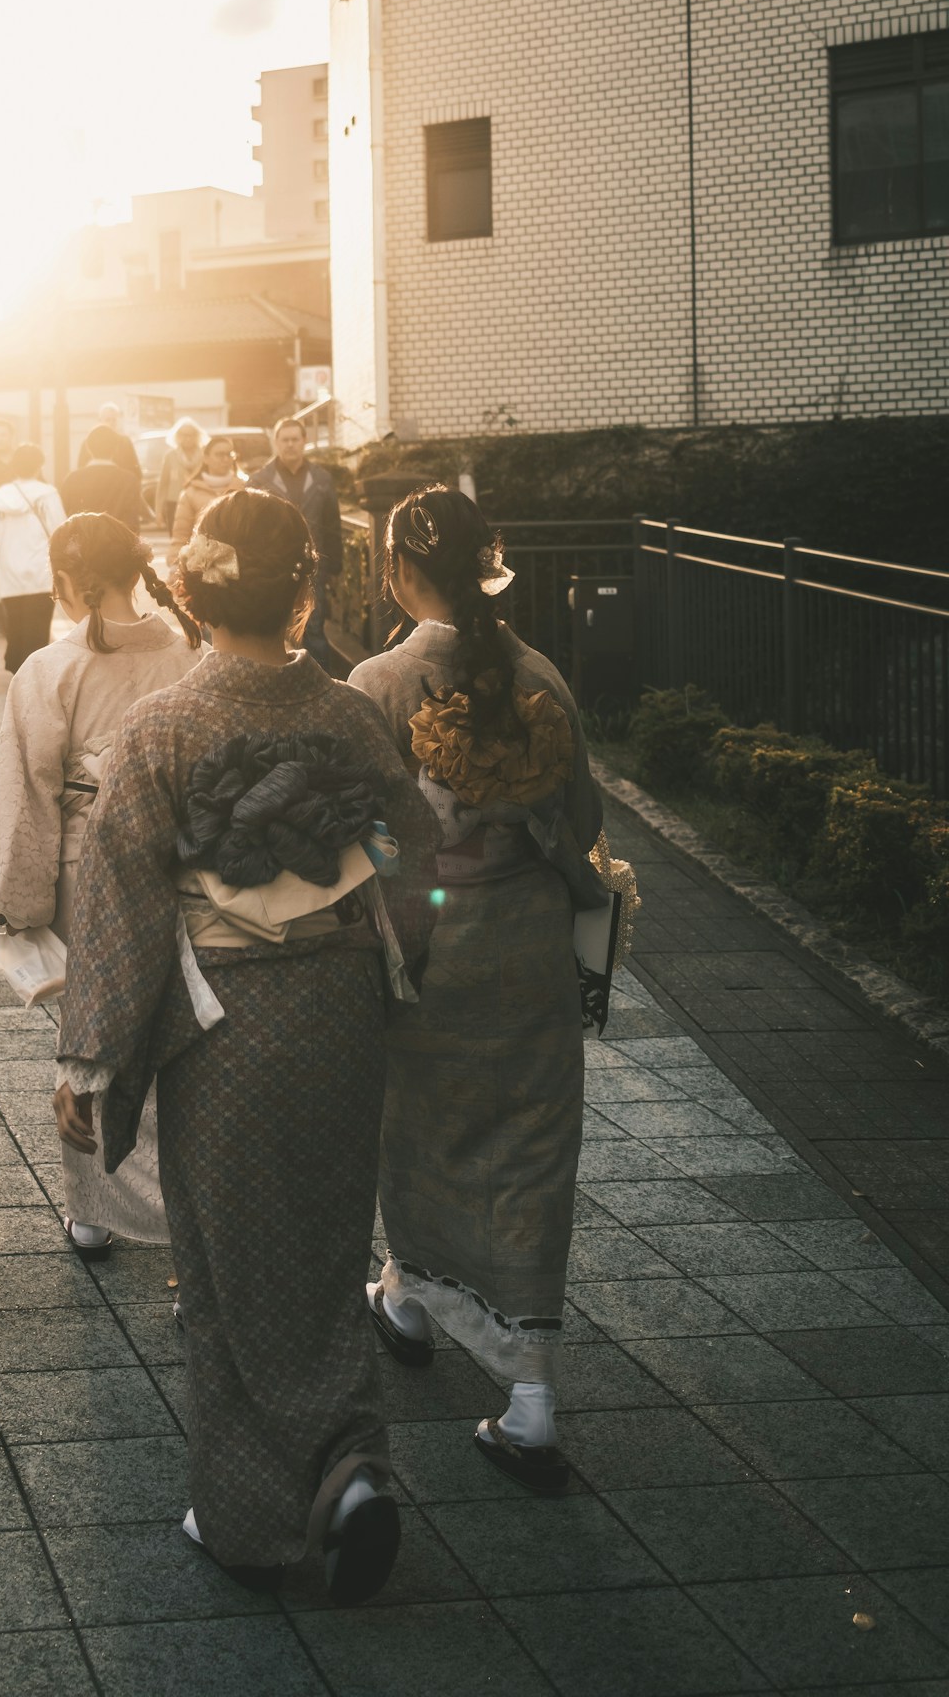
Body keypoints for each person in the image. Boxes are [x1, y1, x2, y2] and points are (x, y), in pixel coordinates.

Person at [54, 489, 436, 1605]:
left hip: (227, 1020)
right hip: (340, 1007)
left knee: (225, 1266)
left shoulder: (166, 726)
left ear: (195, 589)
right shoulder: (354, 717)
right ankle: (352, 1464)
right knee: (322, 1248)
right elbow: (411, 858)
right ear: (304, 591)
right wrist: (402, 969)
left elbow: (121, 898)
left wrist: (90, 1062)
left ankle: (258, 1519)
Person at [348, 484, 608, 1496]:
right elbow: (579, 814)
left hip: (428, 947)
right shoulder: (538, 674)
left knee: (419, 1135)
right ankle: (529, 1396)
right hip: (530, 945)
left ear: (399, 571)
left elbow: (363, 834)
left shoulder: (378, 682)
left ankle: (412, 1300)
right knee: (530, 1148)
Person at [0, 513, 203, 1259]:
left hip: (89, 868)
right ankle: (185, 1205)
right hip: (183, 865)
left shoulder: (51, 668)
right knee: (178, 1031)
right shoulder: (190, 651)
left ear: (72, 581)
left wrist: (21, 906)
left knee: (92, 1030)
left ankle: (93, 1210)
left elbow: (28, 799)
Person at [248, 415, 344, 672]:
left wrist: (335, 567)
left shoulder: (322, 478)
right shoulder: (259, 480)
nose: (290, 444)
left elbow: (332, 524)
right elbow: (251, 529)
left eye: (295, 439)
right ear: (276, 442)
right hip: (271, 567)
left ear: (304, 441)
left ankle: (323, 686)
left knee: (313, 629)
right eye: (284, 439)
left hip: (314, 566)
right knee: (270, 630)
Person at [0, 442, 66, 674]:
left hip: (8, 576)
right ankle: (32, 680)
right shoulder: (48, 494)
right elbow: (62, 534)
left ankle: (16, 674)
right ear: (39, 465)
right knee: (38, 632)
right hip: (42, 574)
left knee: (15, 629)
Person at [168, 432, 247, 560]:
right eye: (219, 454)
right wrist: (175, 563)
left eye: (229, 454)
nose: (225, 459)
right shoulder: (190, 493)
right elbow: (180, 535)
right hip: (201, 565)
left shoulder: (244, 489)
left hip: (240, 562)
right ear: (206, 458)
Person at [60, 422, 143, 531]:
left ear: (88, 448)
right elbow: (132, 521)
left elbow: (63, 518)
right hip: (117, 543)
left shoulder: (72, 479)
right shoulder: (129, 480)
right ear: (116, 448)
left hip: (82, 543)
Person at [155, 418, 205, 533]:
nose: (188, 438)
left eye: (191, 435)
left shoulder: (204, 455)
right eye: (184, 435)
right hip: (174, 504)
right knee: (176, 539)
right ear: (178, 437)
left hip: (198, 503)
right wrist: (158, 512)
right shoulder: (170, 456)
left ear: (197, 436)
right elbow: (163, 485)